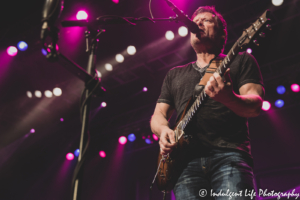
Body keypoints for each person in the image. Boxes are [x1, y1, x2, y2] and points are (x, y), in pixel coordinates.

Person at [150, 6, 265, 200]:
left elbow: (255, 106)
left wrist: (229, 98)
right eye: (196, 21)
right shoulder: (174, 74)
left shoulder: (241, 60)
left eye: (207, 20)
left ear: (223, 35)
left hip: (229, 157)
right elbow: (157, 116)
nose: (199, 23)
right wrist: (164, 131)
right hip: (185, 165)